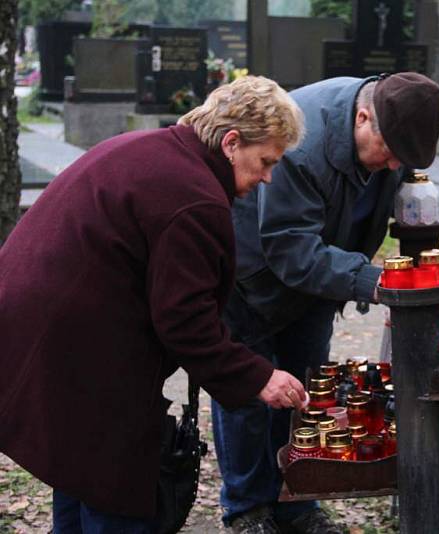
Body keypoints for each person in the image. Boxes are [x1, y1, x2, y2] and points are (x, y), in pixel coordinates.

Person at [0, 76, 308, 533]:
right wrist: (258, 376)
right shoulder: (195, 198)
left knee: (80, 474)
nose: (266, 178)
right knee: (116, 492)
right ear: (230, 142)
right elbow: (184, 321)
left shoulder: (152, 149)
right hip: (77, 347)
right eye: (264, 161)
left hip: (38, 330)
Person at [212, 72, 439, 533]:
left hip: (317, 280)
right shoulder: (301, 145)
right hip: (251, 277)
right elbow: (288, 247)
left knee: (306, 391)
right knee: (249, 393)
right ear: (363, 118)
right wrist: (373, 281)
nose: (395, 163)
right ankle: (246, 509)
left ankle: (297, 502)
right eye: (392, 153)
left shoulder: (392, 123)